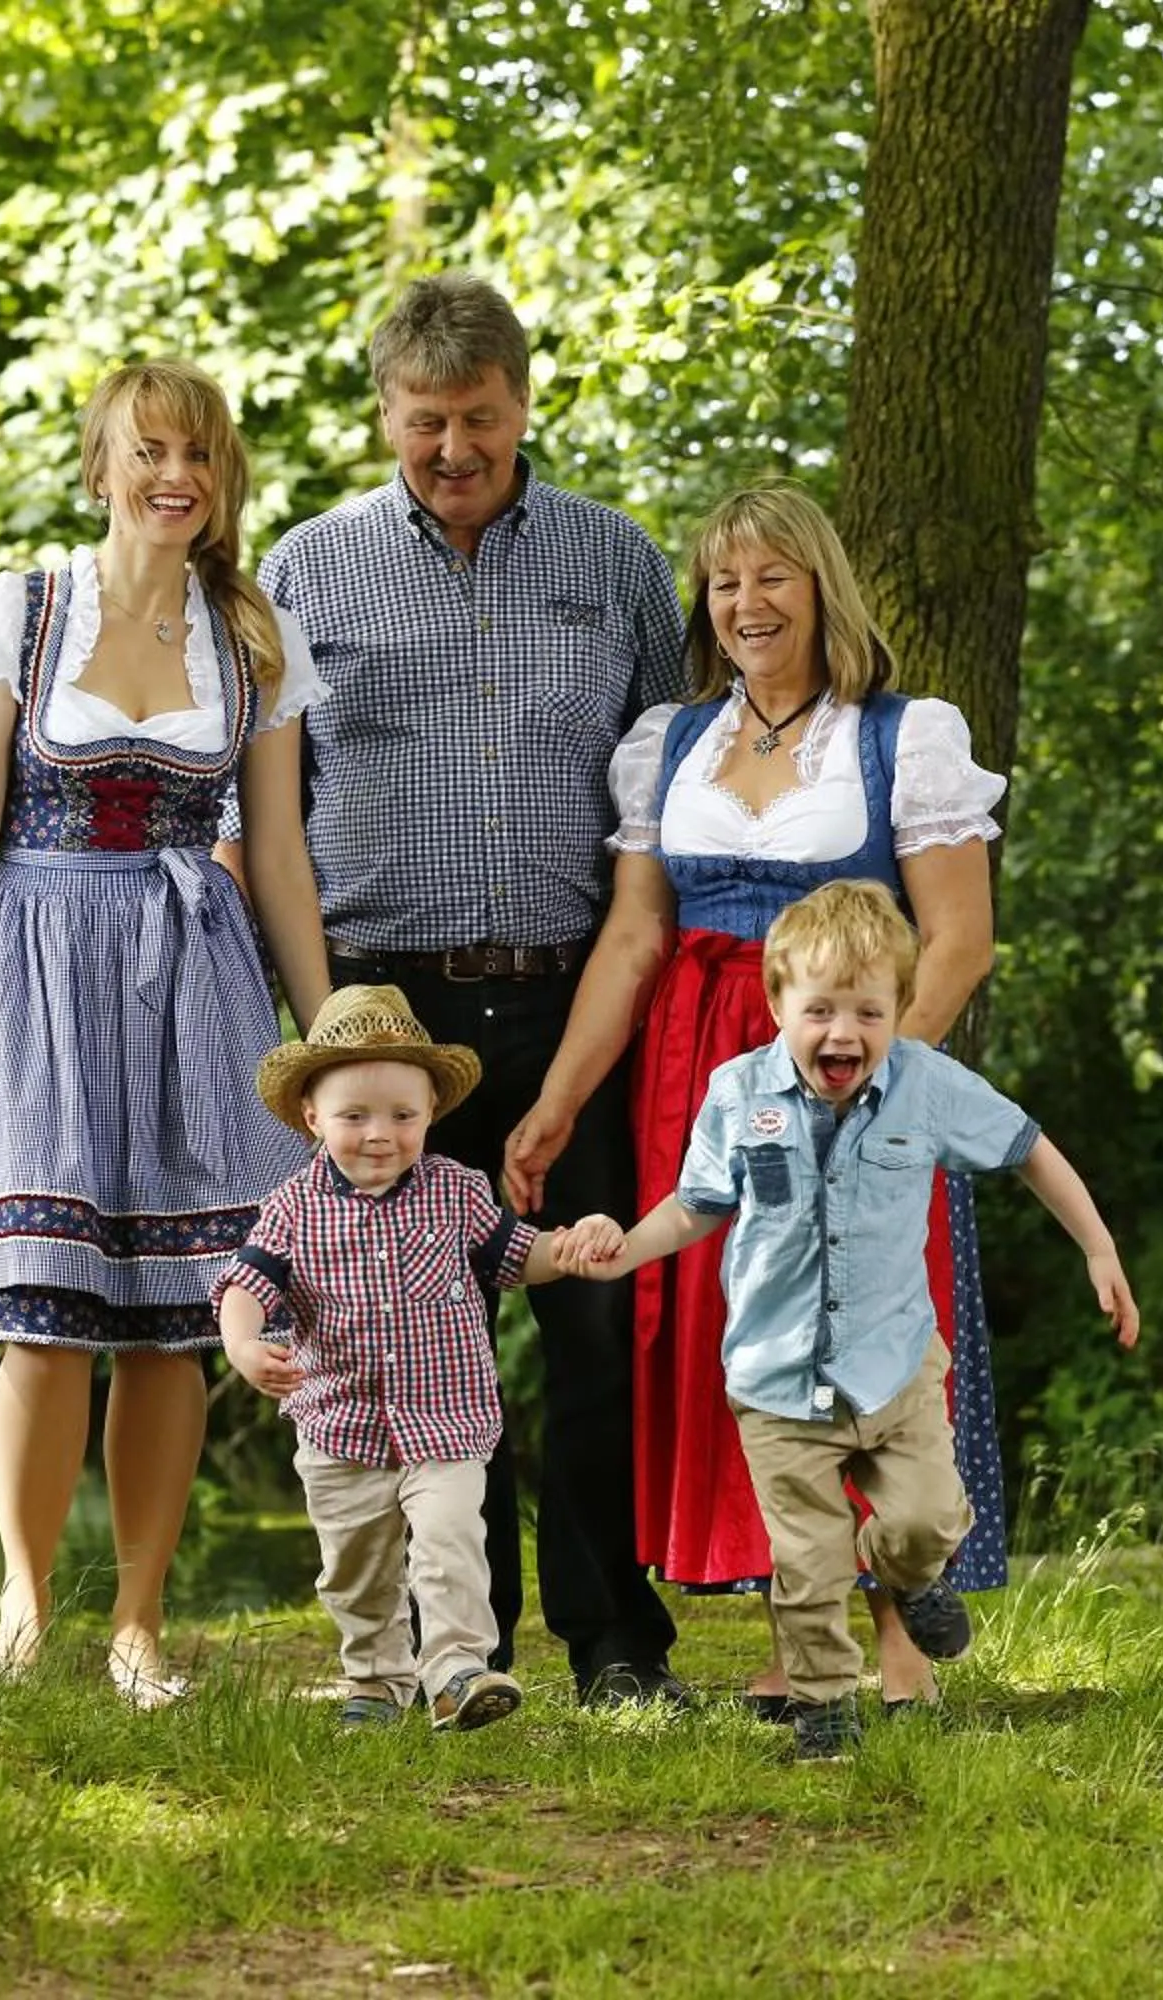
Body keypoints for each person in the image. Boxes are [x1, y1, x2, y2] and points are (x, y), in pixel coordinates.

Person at [502, 481, 1008, 1712]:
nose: (746, 602)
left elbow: (957, 938)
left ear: (821, 585)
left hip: (849, 1055)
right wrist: (562, 1101)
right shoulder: (670, 742)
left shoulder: (901, 733)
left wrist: (879, 1080)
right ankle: (803, 1634)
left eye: (771, 575)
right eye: (725, 582)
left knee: (877, 1323)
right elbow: (632, 941)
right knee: (762, 1342)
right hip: (705, 1077)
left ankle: (899, 1637)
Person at [258, 273, 691, 1707]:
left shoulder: (617, 562)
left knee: (591, 1320)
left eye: (482, 420)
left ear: (524, 403)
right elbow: (272, 810)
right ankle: (464, 1647)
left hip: (572, 1003)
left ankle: (615, 1639)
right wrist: (325, 1028)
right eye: (427, 420)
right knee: (415, 1340)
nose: (454, 447)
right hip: (387, 1013)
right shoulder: (309, 571)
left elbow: (660, 803)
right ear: (385, 409)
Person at [0, 359, 331, 1706]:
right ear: (102, 464)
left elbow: (277, 854)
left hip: (194, 972)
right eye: (149, 452)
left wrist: (328, 1040)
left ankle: (139, 1624)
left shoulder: (251, 639)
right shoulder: (19, 615)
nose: (174, 478)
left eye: (197, 456)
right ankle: (23, 1615)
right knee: (45, 1311)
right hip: (33, 964)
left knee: (180, 1315)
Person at [559, 881, 1139, 1757]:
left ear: (900, 1009)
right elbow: (697, 1205)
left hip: (896, 1368)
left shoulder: (926, 1085)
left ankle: (914, 1578)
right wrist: (625, 1251)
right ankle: (825, 1712)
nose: (844, 1033)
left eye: (868, 1012)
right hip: (776, 1378)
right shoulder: (737, 1093)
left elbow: (1029, 1148)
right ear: (777, 1004)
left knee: (927, 1518)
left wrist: (1098, 1248)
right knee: (808, 1563)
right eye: (820, 1009)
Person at [214, 986, 612, 1731]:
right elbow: (246, 1284)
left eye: (403, 1116)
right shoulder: (293, 1206)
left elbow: (522, 1256)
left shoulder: (456, 1192)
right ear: (312, 1117)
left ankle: (458, 1668)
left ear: (432, 1113)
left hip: (446, 1419)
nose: (379, 1135)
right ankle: (375, 1679)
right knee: (357, 1569)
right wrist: (243, 1343)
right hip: (341, 1428)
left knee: (453, 1541)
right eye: (354, 1116)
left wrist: (575, 1243)